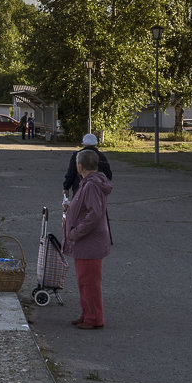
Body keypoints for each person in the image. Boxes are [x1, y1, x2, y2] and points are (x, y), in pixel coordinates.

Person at [64, 148, 113, 329]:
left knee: (90, 282)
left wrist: (75, 232)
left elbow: (94, 214)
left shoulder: (91, 185)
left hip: (89, 241)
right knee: (84, 280)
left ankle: (94, 318)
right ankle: (86, 314)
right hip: (85, 243)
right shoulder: (89, 183)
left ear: (79, 165)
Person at [63, 133, 112, 197]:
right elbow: (108, 175)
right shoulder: (102, 156)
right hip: (97, 189)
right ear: (95, 144)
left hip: (79, 188)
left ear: (84, 143)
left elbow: (71, 173)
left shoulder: (77, 155)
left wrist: (66, 187)